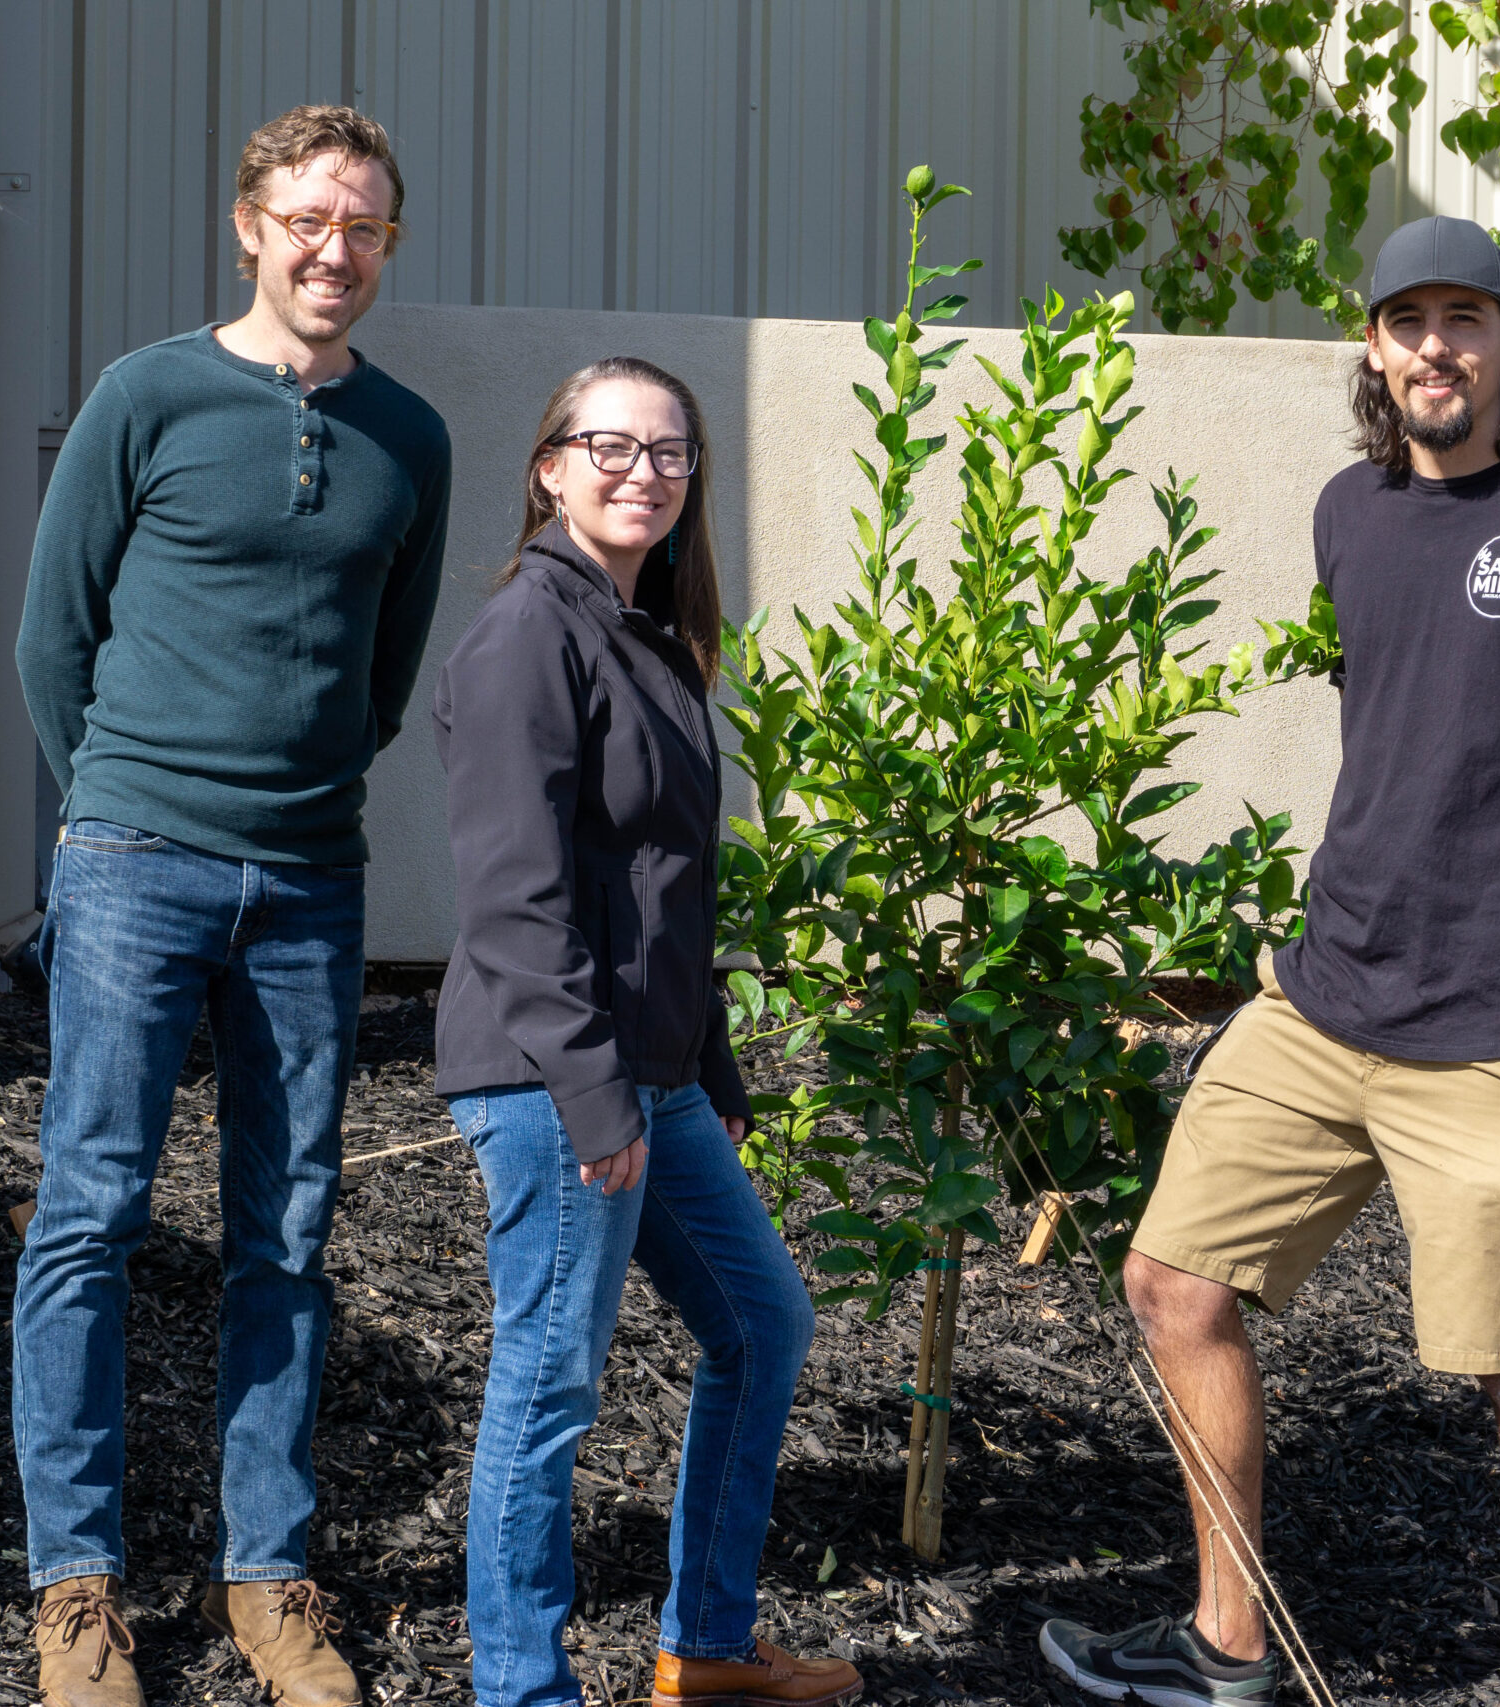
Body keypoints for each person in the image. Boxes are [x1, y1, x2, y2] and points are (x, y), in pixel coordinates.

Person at [1039, 216, 1500, 1707]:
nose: (1436, 348)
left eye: (1465, 317)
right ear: (1372, 348)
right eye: (1408, 321)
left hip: (1487, 1035)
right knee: (1171, 1282)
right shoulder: (1349, 513)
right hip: (1323, 994)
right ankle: (1225, 1645)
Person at [11, 105, 450, 1707]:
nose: (337, 250)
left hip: (311, 881)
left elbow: (382, 677)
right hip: (134, 861)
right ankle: (78, 1589)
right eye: (310, 220)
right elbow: (53, 641)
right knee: (92, 1213)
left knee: (286, 1228)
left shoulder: (411, 437)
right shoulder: (150, 394)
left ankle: (268, 1580)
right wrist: (117, 809)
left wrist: (285, 802)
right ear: (251, 225)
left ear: (388, 244)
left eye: (368, 227)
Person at [434, 358, 861, 1707]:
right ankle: (522, 1689)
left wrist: (707, 1057)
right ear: (549, 467)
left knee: (761, 1325)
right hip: (558, 1077)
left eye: (671, 453)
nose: (643, 470)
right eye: (609, 445)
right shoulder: (527, 638)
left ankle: (708, 1649)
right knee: (551, 1384)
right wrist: (596, 1096)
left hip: (648, 1069)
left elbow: (669, 880)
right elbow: (516, 899)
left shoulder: (646, 636)